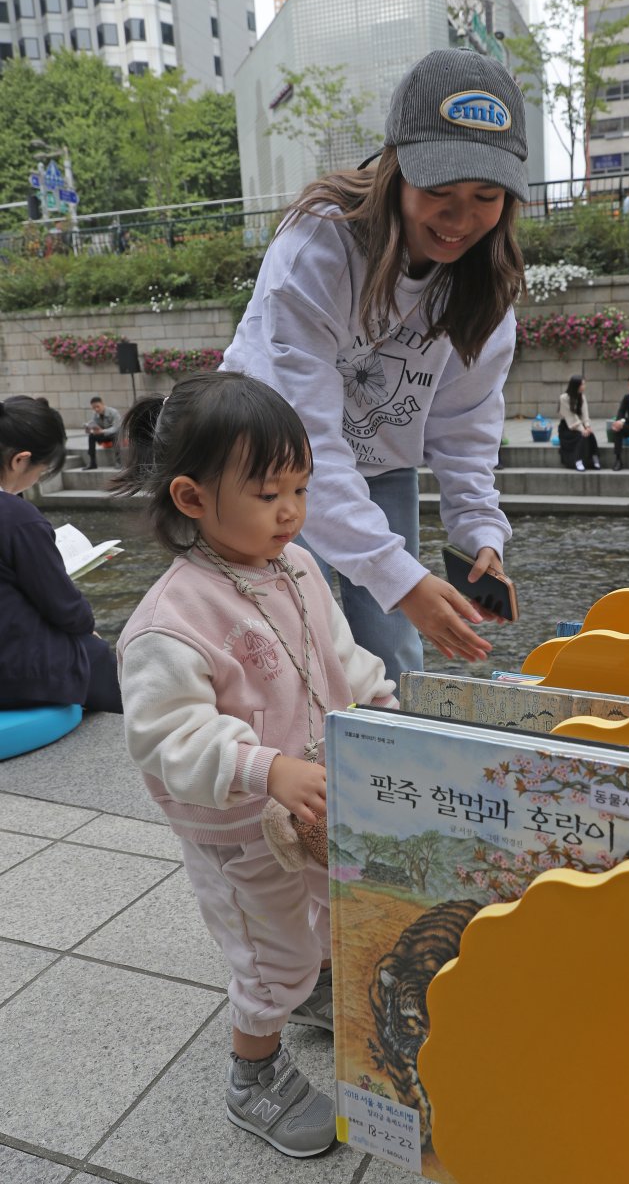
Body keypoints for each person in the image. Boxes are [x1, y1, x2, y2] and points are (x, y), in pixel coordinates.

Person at [112, 372, 396, 1159]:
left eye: (301, 487)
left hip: (312, 807)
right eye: (270, 491)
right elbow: (168, 738)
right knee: (271, 953)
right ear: (193, 498)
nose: (292, 510)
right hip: (241, 829)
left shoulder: (297, 568)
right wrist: (265, 767)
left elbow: (341, 658)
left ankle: (312, 991)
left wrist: (387, 714)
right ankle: (253, 1071)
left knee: (330, 910)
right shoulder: (170, 621)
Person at [222, 48, 528, 685]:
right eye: (438, 190)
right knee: (284, 645)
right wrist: (402, 579)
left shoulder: (485, 292)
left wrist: (479, 537)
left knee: (395, 656)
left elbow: (465, 432)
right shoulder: (319, 247)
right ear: (395, 168)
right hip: (265, 462)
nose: (460, 219)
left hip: (383, 465)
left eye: (486, 195)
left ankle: (385, 778)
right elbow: (306, 438)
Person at [0, 395, 122, 713]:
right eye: (40, 470)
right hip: (13, 675)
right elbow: (65, 609)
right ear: (19, 461)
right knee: (96, 654)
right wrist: (86, 627)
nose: (37, 479)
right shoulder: (18, 517)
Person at [558, 374, 601, 471]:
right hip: (567, 427)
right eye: (583, 384)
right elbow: (570, 417)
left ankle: (595, 458)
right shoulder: (564, 398)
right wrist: (582, 430)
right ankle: (577, 460)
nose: (584, 386)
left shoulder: (582, 396)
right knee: (581, 437)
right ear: (576, 385)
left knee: (590, 435)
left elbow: (585, 413)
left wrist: (588, 426)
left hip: (580, 425)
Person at [82, 395, 121, 470]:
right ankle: (93, 463)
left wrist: (102, 431)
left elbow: (116, 427)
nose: (96, 409)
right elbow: (95, 425)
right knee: (91, 436)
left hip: (114, 435)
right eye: (94, 408)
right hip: (104, 435)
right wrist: (89, 429)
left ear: (102, 404)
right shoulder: (95, 415)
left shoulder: (114, 412)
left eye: (97, 406)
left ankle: (119, 462)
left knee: (116, 434)